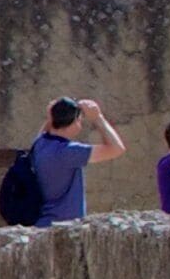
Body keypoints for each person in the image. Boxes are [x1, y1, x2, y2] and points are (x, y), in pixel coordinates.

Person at [31, 96, 127, 225]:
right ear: (74, 122)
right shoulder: (69, 152)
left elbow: (47, 129)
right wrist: (98, 118)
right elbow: (117, 149)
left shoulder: (39, 144)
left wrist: (52, 115)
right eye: (80, 121)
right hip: (63, 227)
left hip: (42, 223)